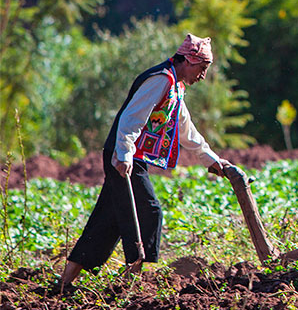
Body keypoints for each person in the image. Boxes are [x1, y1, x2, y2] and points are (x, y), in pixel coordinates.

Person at [57, 34, 237, 292]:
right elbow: (132, 118)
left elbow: (185, 130)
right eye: (202, 68)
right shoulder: (160, 80)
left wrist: (211, 159)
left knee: (105, 221)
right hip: (124, 157)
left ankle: (64, 283)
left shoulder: (176, 86)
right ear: (188, 60)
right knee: (148, 210)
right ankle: (131, 283)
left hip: (129, 157)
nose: (203, 75)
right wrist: (125, 154)